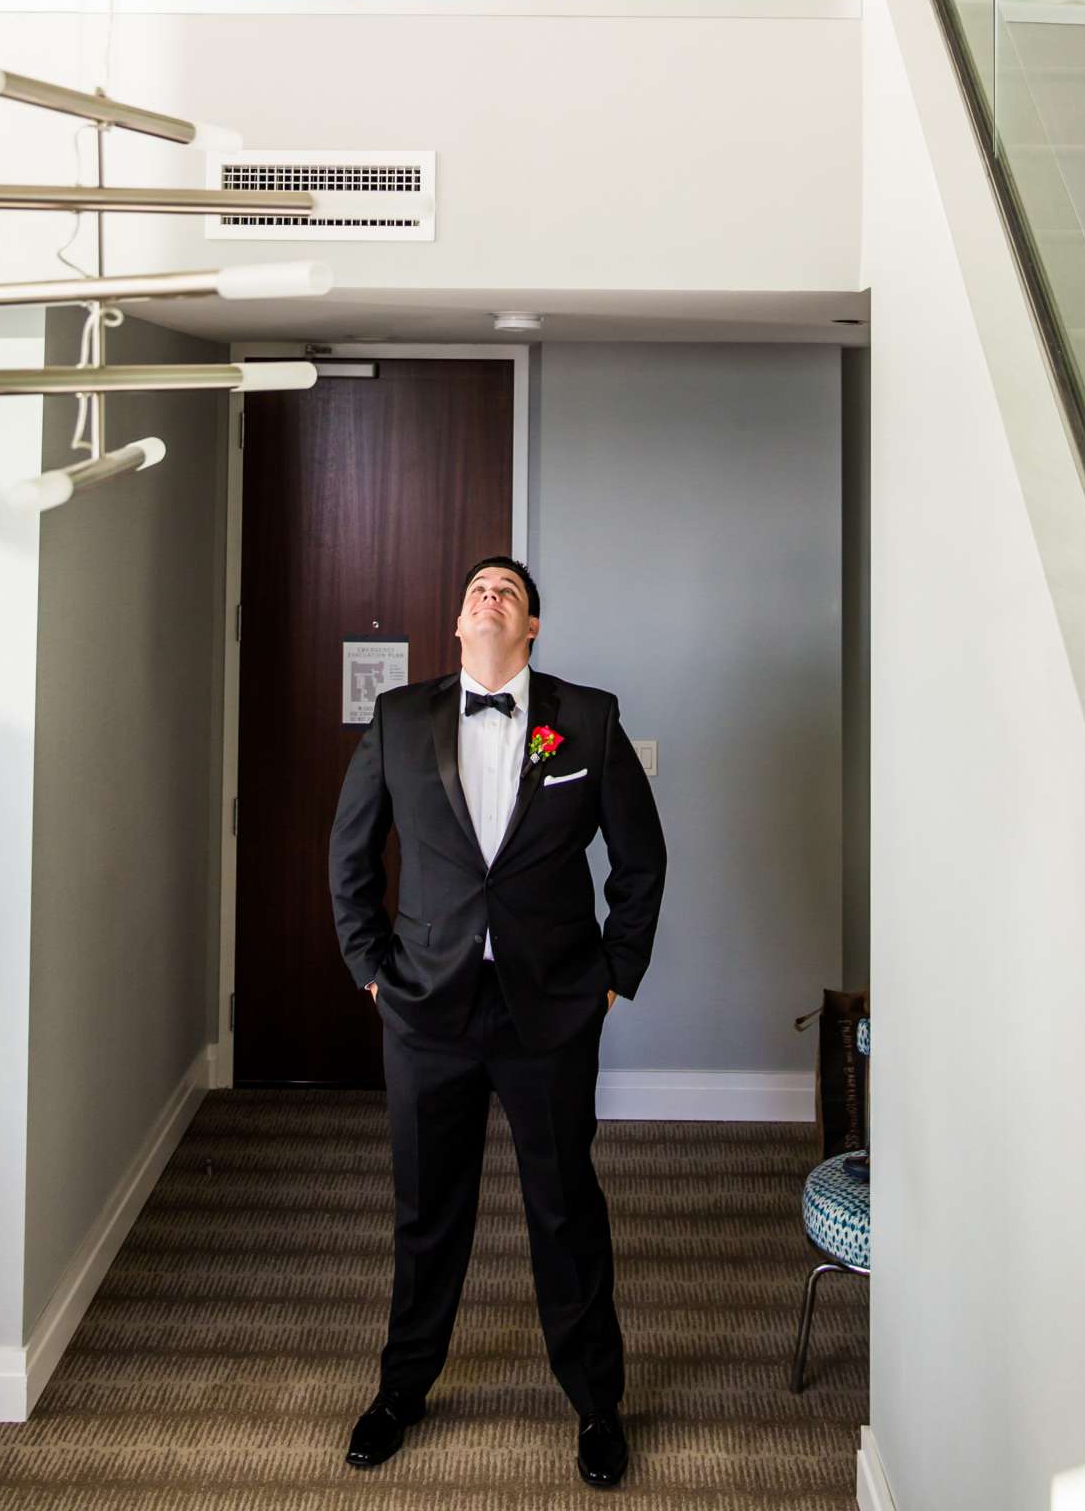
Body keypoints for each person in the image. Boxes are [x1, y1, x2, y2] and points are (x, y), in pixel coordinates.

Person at [329, 556, 667, 1491]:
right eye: (477, 588)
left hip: (550, 1011)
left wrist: (612, 978)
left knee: (563, 1206)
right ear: (457, 623)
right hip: (426, 1008)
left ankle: (598, 1403)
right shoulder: (399, 720)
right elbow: (350, 850)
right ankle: (402, 1390)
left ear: (533, 628)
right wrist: (370, 972)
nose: (489, 595)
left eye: (508, 591)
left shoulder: (586, 718)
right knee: (427, 1208)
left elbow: (640, 860)